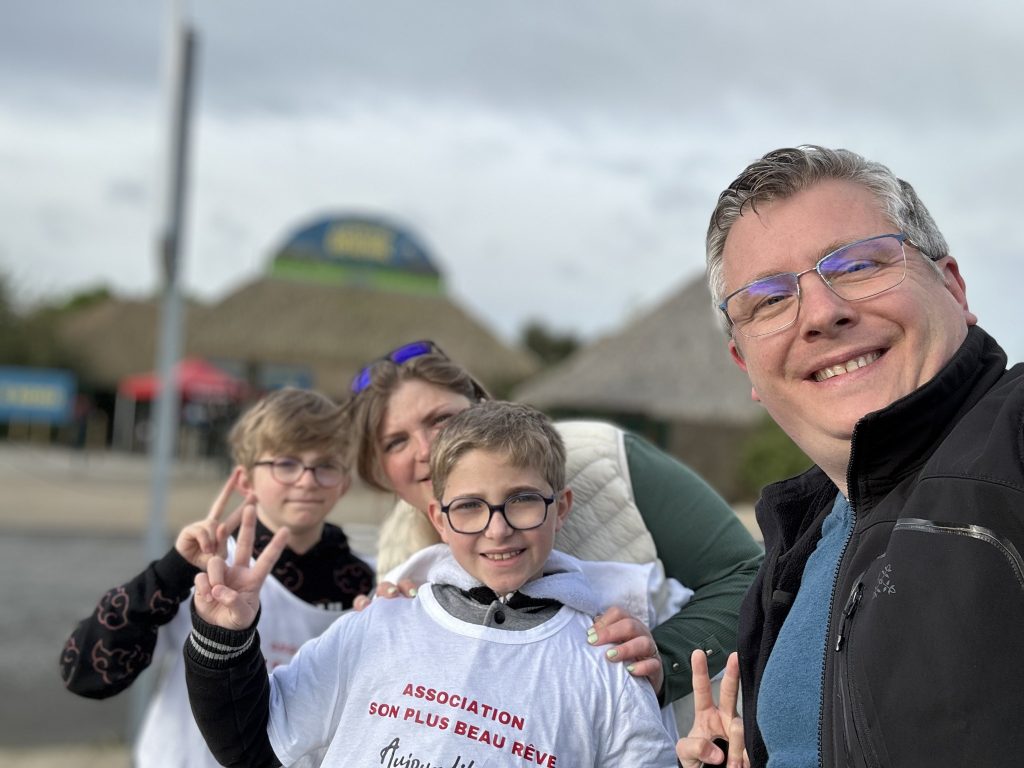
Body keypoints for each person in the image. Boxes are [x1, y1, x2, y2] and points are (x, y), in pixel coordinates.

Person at [677, 145, 1024, 768]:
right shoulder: (795, 550)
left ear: (953, 286)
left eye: (859, 264)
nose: (821, 313)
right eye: (770, 300)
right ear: (745, 366)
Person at [184, 401, 680, 767]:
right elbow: (250, 744)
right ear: (438, 520)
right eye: (469, 507)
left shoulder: (609, 666)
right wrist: (223, 634)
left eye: (523, 500)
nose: (498, 528)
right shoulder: (376, 626)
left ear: (562, 507)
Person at [348, 340, 764, 708]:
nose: (427, 448)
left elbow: (747, 576)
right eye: (395, 442)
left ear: (483, 409)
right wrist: (387, 637)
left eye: (441, 419)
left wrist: (660, 657)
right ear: (379, 471)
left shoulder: (604, 457)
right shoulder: (396, 553)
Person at [59, 387, 374, 768]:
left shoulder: (371, 583)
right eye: (286, 463)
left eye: (325, 465)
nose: (307, 480)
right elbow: (89, 675)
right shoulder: (204, 569)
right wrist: (171, 572)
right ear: (245, 481)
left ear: (344, 481)